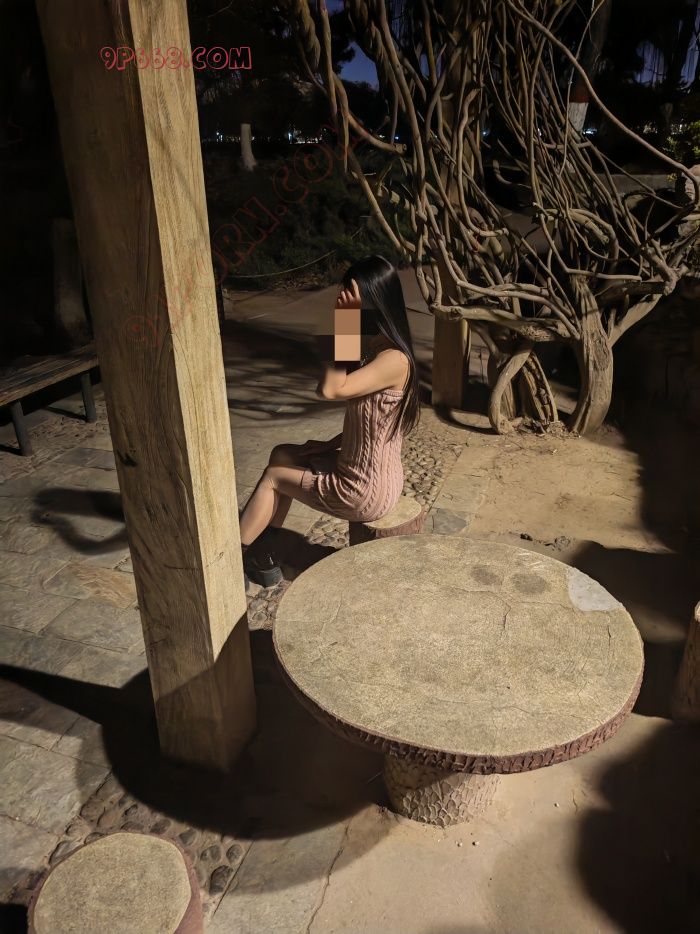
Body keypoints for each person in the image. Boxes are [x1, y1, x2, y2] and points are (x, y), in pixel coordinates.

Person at [239, 253, 420, 588]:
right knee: (282, 453)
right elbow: (373, 422)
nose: (342, 303)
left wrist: (346, 324)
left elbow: (330, 389)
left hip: (365, 489)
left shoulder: (394, 359)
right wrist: (329, 445)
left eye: (350, 298)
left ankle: (241, 555)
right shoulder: (379, 348)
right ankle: (267, 553)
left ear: (374, 301)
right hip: (366, 472)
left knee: (274, 476)